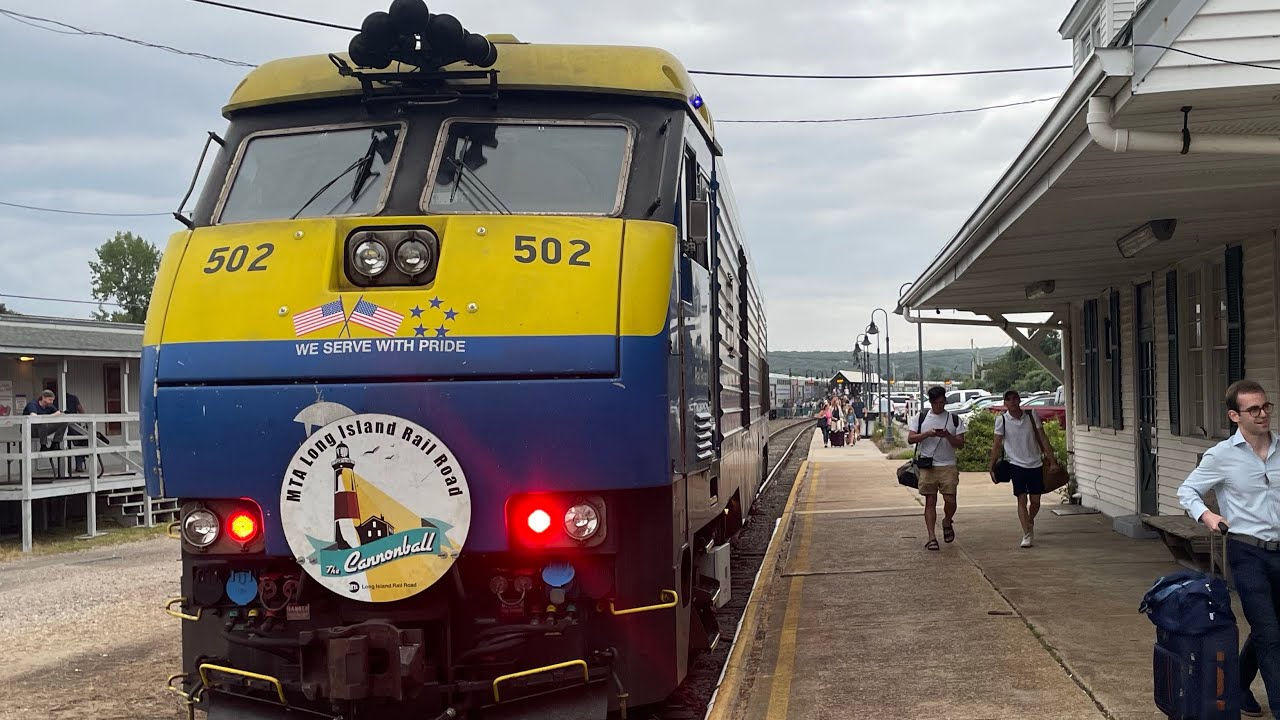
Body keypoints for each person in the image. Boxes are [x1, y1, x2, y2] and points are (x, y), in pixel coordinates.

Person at [1176, 379, 1280, 716]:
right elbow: (1187, 491)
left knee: (1273, 628)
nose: (1263, 414)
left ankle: (1235, 686)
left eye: (1266, 407)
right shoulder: (1221, 456)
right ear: (1235, 415)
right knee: (1270, 634)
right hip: (1246, 551)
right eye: (1254, 409)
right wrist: (1207, 515)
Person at [988, 390, 1059, 548]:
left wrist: (1052, 461)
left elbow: (1042, 438)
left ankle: (1029, 520)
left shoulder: (1031, 416)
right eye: (1009, 400)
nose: (1012, 402)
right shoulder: (1002, 421)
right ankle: (1026, 533)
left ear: (1019, 400)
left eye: (1015, 399)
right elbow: (997, 444)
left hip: (1035, 463)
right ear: (1005, 403)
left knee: (1036, 501)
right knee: (1021, 498)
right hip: (1016, 464)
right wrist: (991, 466)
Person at [908, 386, 967, 551]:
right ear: (931, 402)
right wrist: (927, 434)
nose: (940, 406)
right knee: (930, 501)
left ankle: (947, 520)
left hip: (948, 464)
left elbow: (961, 444)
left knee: (951, 500)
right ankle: (931, 536)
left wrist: (948, 435)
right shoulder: (920, 418)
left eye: (943, 402)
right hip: (928, 464)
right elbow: (911, 439)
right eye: (937, 403)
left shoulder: (954, 419)